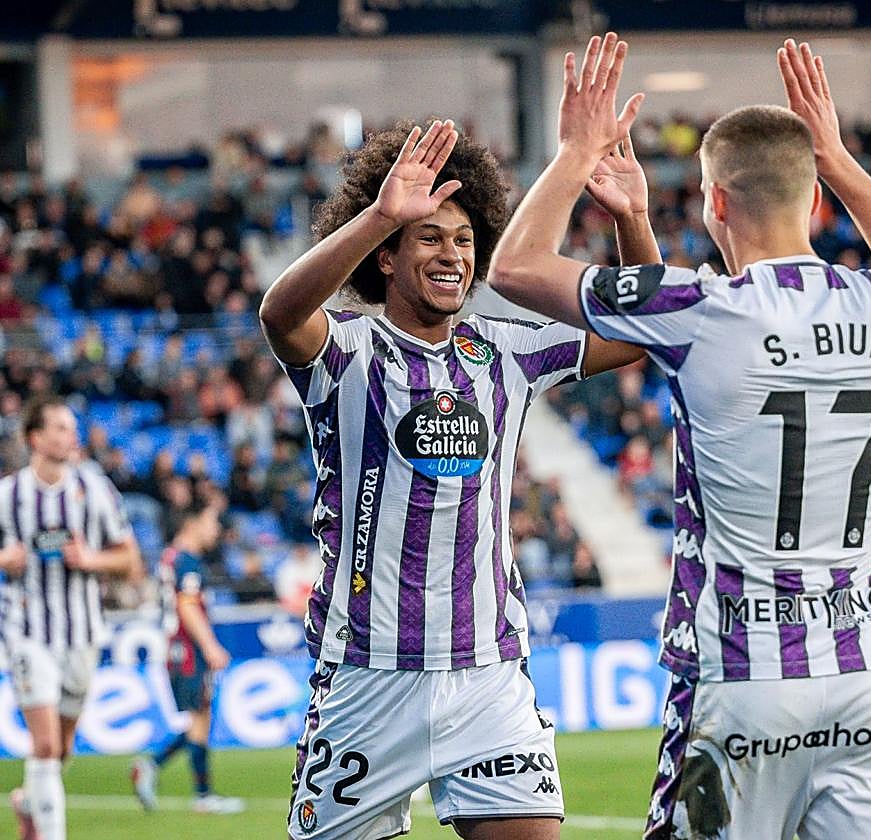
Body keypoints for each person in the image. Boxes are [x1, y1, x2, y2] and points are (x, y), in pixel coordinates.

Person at [488, 34, 871, 839]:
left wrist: (575, 153)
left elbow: (516, 268)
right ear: (815, 200)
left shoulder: (703, 309)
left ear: (716, 204)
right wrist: (836, 156)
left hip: (742, 677)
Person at [258, 116, 650, 840]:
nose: (452, 255)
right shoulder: (347, 351)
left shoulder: (505, 351)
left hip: (488, 673)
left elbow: (639, 332)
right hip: (368, 675)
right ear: (385, 257)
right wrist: (381, 215)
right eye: (430, 237)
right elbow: (280, 313)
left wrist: (631, 219)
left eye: (465, 240)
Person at [0, 396, 142, 840]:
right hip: (26, 631)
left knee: (60, 747)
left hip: (82, 633)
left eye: (71, 427)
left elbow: (130, 560)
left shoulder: (93, 490)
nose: (71, 435)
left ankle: (29, 802)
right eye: (60, 427)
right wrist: (5, 559)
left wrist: (90, 559)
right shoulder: (8, 496)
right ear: (35, 438)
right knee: (44, 745)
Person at [131, 502, 244, 814]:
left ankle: (152, 767)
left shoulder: (170, 557)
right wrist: (209, 646)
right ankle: (201, 794)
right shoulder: (187, 561)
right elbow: (187, 604)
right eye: (210, 521)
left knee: (199, 718)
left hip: (176, 649)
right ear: (192, 523)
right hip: (189, 650)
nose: (216, 529)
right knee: (199, 719)